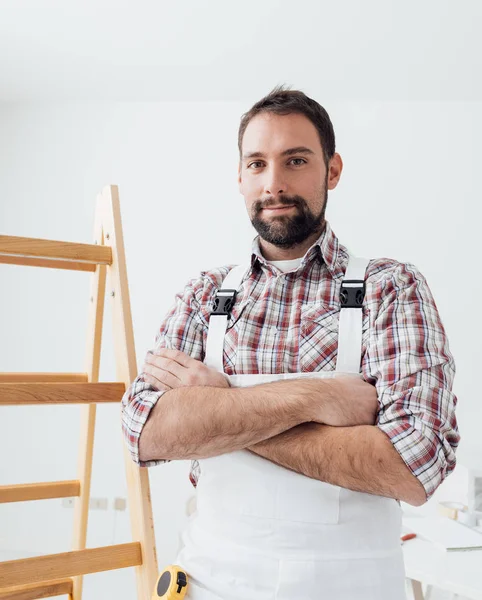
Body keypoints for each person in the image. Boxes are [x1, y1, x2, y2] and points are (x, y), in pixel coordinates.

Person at [121, 85, 459, 600]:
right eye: (256, 164)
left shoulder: (391, 288)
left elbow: (414, 465)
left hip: (351, 586)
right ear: (239, 177)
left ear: (332, 170)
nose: (273, 183)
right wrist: (318, 398)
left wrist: (216, 407)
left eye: (295, 160)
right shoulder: (204, 294)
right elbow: (144, 433)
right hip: (214, 580)